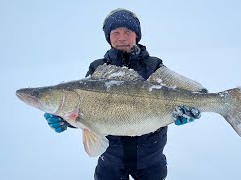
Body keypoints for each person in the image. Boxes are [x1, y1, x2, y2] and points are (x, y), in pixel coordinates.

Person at [44, 8, 201, 180]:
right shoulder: (97, 69)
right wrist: (66, 120)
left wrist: (192, 107)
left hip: (150, 159)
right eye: (115, 32)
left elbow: (190, 91)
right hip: (111, 161)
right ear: (108, 37)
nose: (122, 37)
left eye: (128, 31)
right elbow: (87, 114)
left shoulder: (154, 65)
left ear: (136, 35)